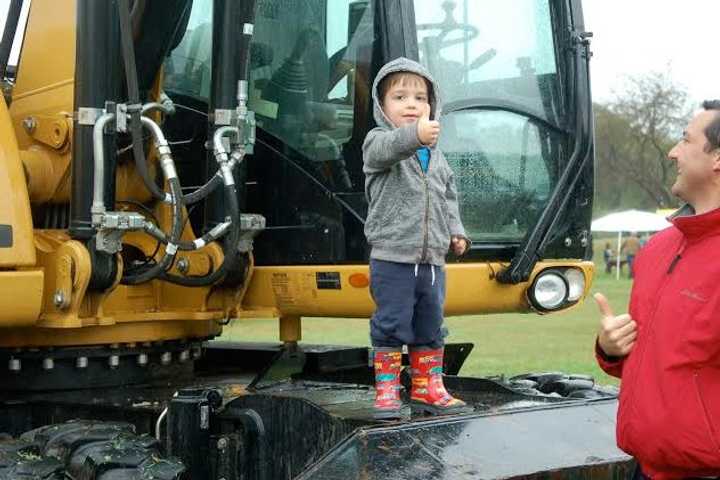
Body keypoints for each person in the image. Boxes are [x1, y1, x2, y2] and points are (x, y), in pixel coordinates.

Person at [594, 100, 720, 479]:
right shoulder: (658, 248)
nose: (672, 152)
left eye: (685, 141)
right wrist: (610, 349)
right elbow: (658, 364)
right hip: (645, 467)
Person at [363, 57, 472, 419]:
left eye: (421, 97)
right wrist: (414, 136)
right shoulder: (377, 142)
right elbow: (390, 148)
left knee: (430, 323)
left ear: (432, 106)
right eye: (400, 97)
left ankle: (428, 387)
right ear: (382, 107)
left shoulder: (437, 158)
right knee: (392, 323)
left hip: (431, 260)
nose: (412, 104)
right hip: (393, 257)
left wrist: (455, 231)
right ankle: (388, 392)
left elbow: (447, 196)